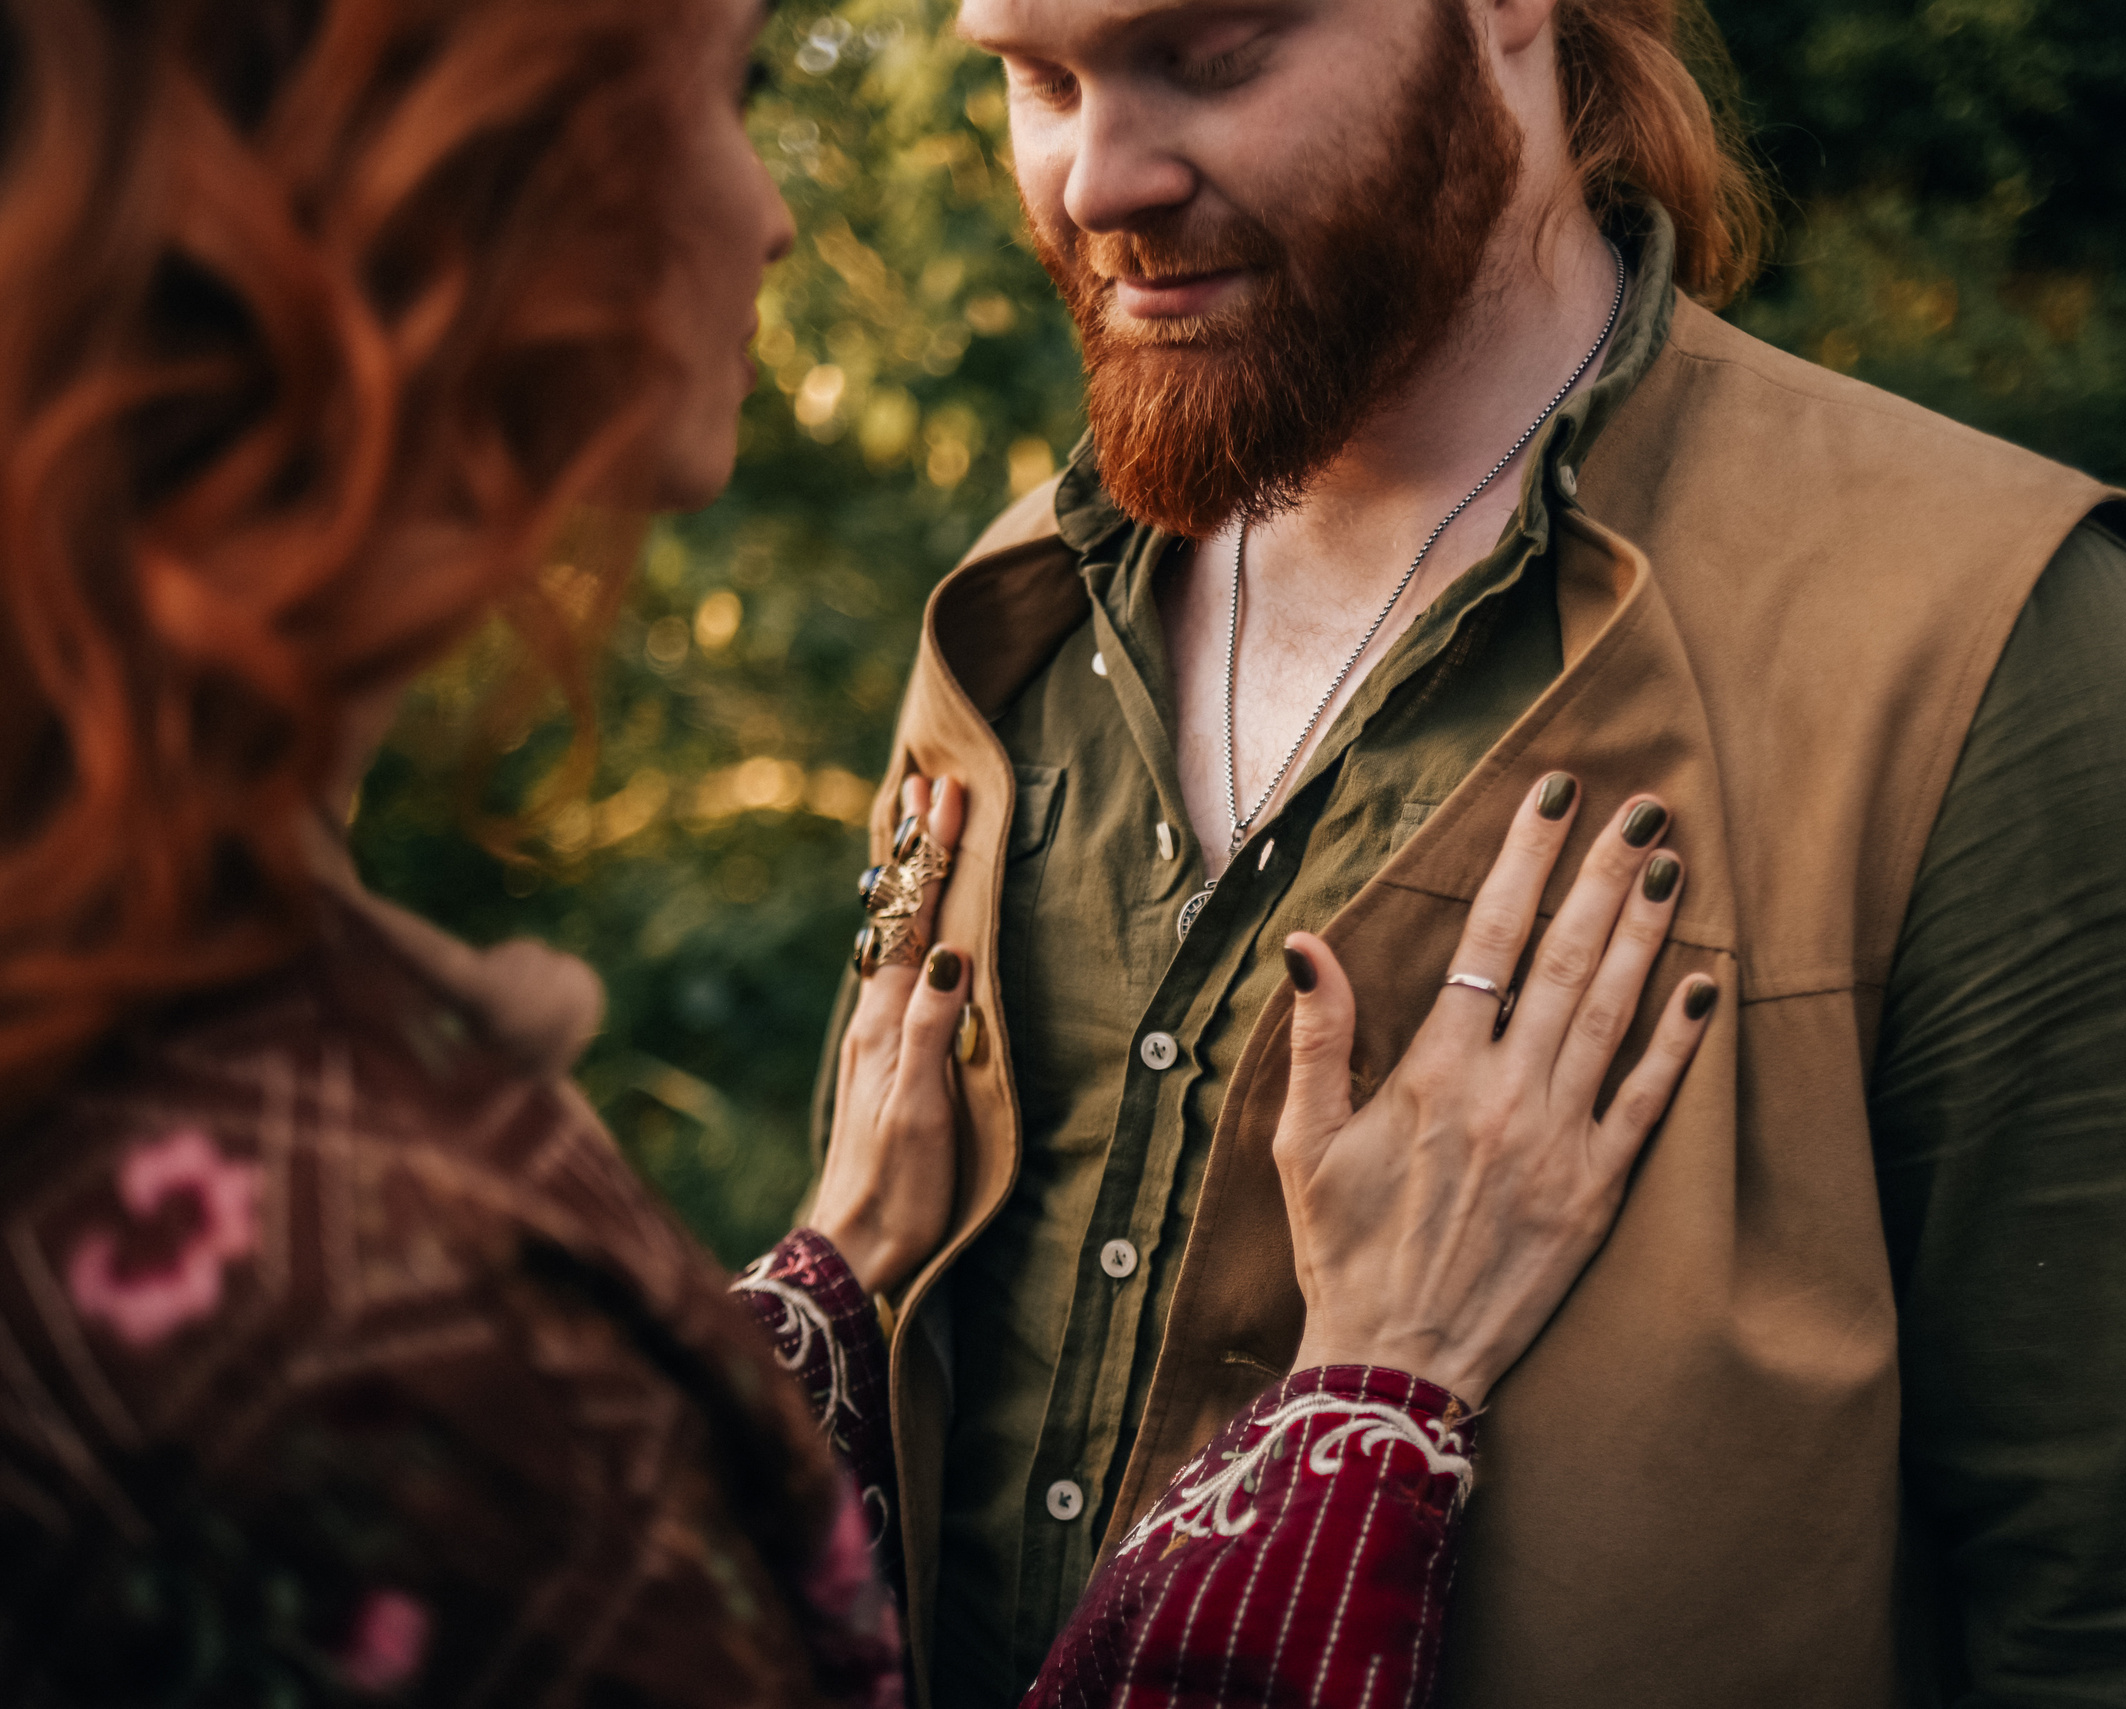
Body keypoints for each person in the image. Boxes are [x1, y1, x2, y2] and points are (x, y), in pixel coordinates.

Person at [0, 0, 1714, 1704]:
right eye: (730, 92)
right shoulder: (384, 1303)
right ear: (444, 199)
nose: (772, 211)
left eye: (1212, 54)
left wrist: (821, 1296)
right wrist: (1365, 1403)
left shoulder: (127, 975)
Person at [817, 0, 2126, 1702]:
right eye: (1035, 80)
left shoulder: (1997, 650)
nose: (1098, 179)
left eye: (1213, 57)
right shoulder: (1013, 632)